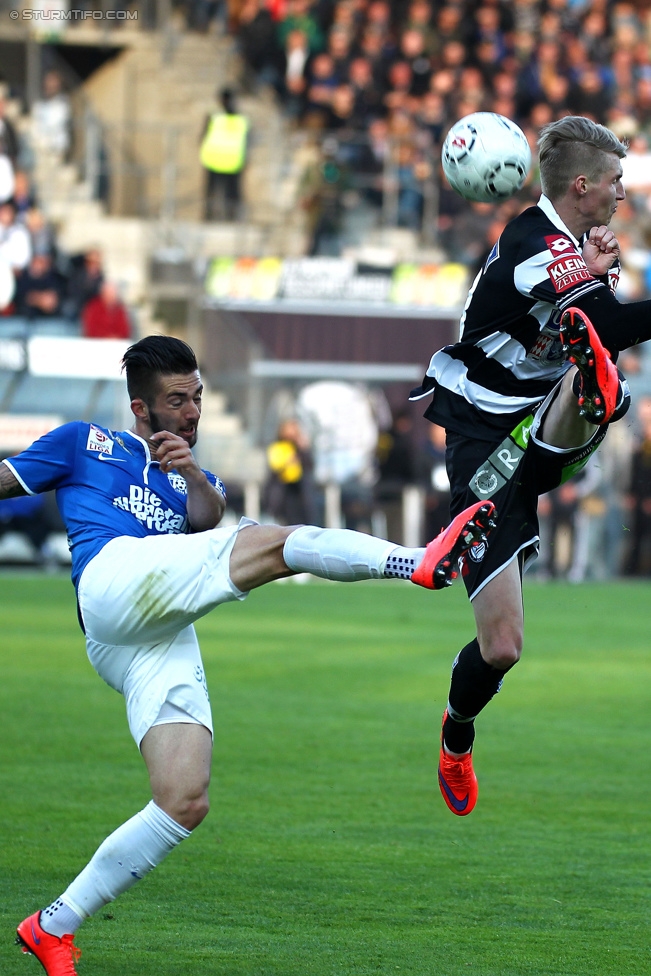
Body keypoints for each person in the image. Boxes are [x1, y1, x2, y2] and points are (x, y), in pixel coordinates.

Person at [5, 334, 496, 976]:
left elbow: (208, 516)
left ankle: (53, 926)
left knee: (184, 797)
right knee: (276, 542)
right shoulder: (83, 443)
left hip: (150, 627)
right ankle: (415, 561)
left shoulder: (195, 476)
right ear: (140, 409)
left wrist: (182, 471)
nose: (192, 412)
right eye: (177, 401)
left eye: (198, 397)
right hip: (108, 582)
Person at [410, 115, 651, 818]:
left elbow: (601, 315)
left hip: (539, 430)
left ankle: (591, 394)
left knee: (595, 363)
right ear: (581, 185)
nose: (620, 193)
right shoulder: (534, 243)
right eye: (612, 182)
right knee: (503, 645)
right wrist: (597, 292)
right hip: (482, 443)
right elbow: (609, 321)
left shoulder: (567, 248)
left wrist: (599, 275)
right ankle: (455, 738)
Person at [200, 88, 249, 222]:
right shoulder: (238, 118)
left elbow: (202, 137)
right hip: (225, 161)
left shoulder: (215, 117)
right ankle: (217, 217)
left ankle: (217, 217)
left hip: (222, 161)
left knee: (224, 194)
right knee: (222, 194)